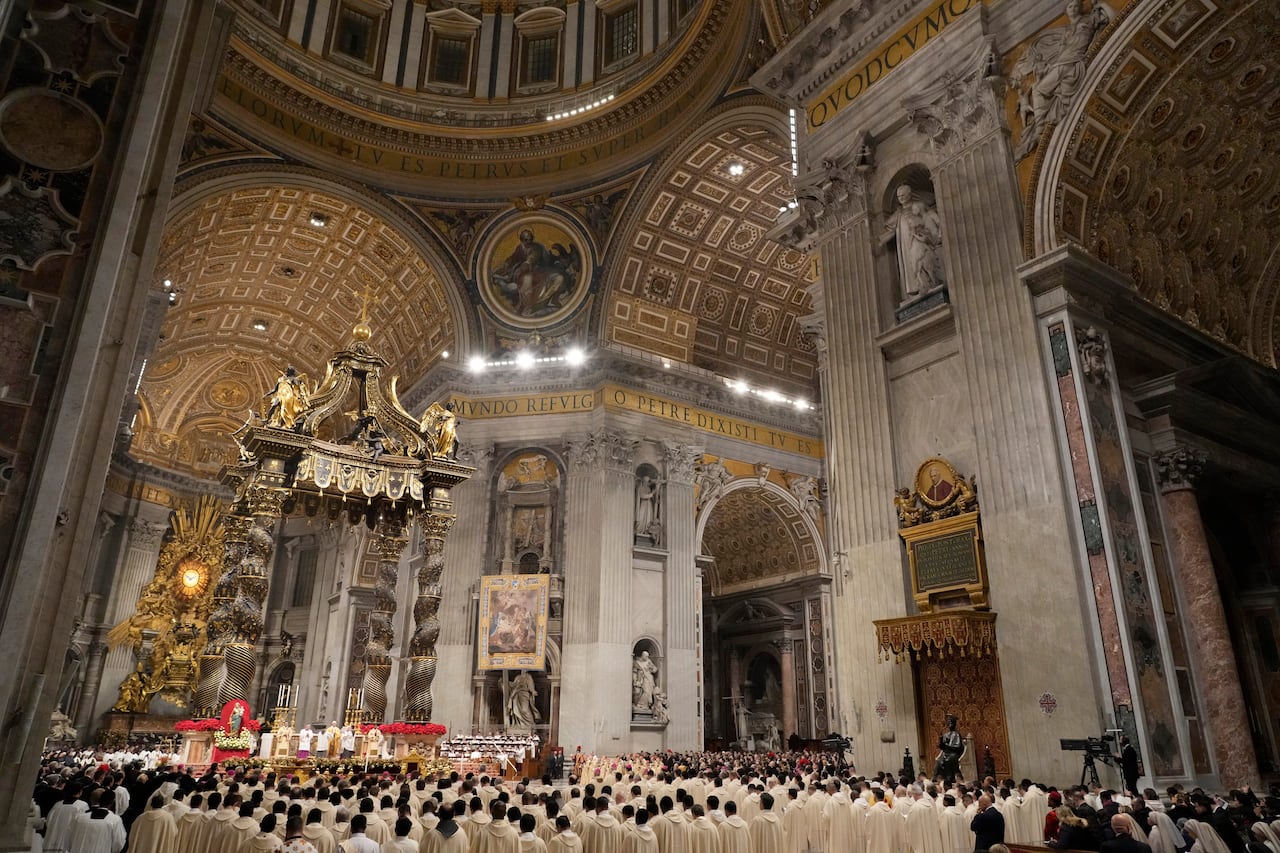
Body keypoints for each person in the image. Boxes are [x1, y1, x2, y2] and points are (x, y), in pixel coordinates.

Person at [880, 184, 944, 302]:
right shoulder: (898, 213)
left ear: (909, 194)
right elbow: (889, 229)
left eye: (903, 195)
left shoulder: (918, 206)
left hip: (919, 239)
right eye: (899, 196)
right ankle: (919, 286)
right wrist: (879, 240)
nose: (901, 198)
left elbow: (931, 217)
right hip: (906, 244)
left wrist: (936, 234)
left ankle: (931, 283)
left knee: (923, 259)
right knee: (913, 264)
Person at [934, 715, 963, 780]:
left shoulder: (956, 734)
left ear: (954, 724)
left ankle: (949, 777)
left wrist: (947, 746)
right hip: (946, 753)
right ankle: (937, 778)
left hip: (953, 753)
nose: (950, 724)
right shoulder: (946, 734)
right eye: (948, 723)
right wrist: (941, 740)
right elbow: (942, 747)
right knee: (939, 761)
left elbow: (957, 747)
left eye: (951, 722)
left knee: (949, 759)